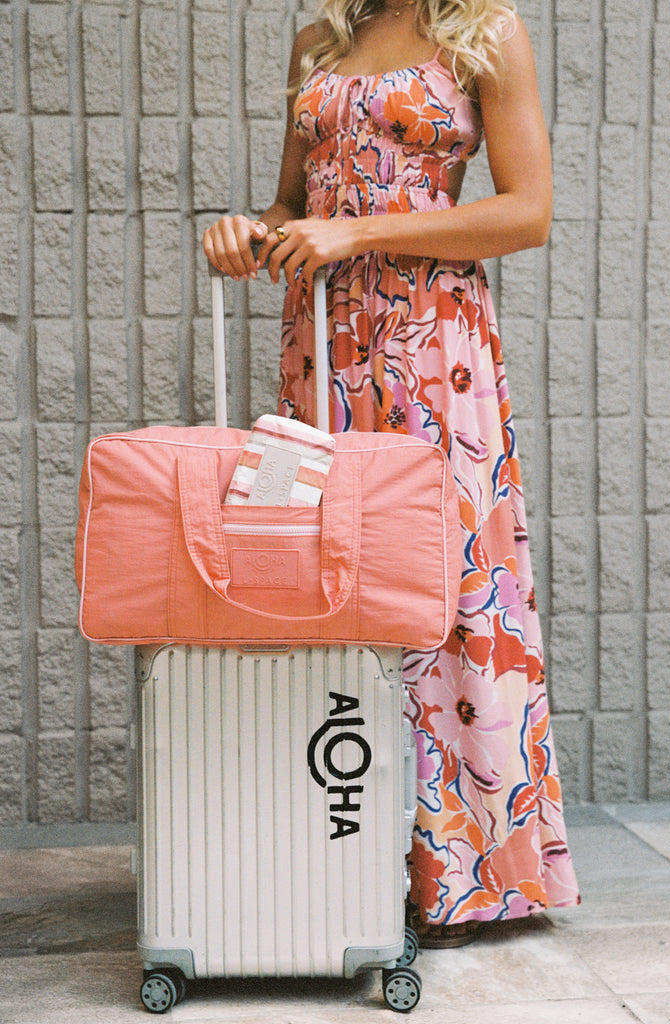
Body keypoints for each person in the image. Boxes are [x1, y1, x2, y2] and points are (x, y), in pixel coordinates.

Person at [204, 0, 580, 948]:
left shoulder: (485, 31)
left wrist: (358, 234)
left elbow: (527, 212)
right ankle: (334, 854)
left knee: (441, 576)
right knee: (325, 572)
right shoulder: (319, 40)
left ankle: (456, 869)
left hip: (431, 345)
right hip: (323, 343)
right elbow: (294, 207)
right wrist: (253, 232)